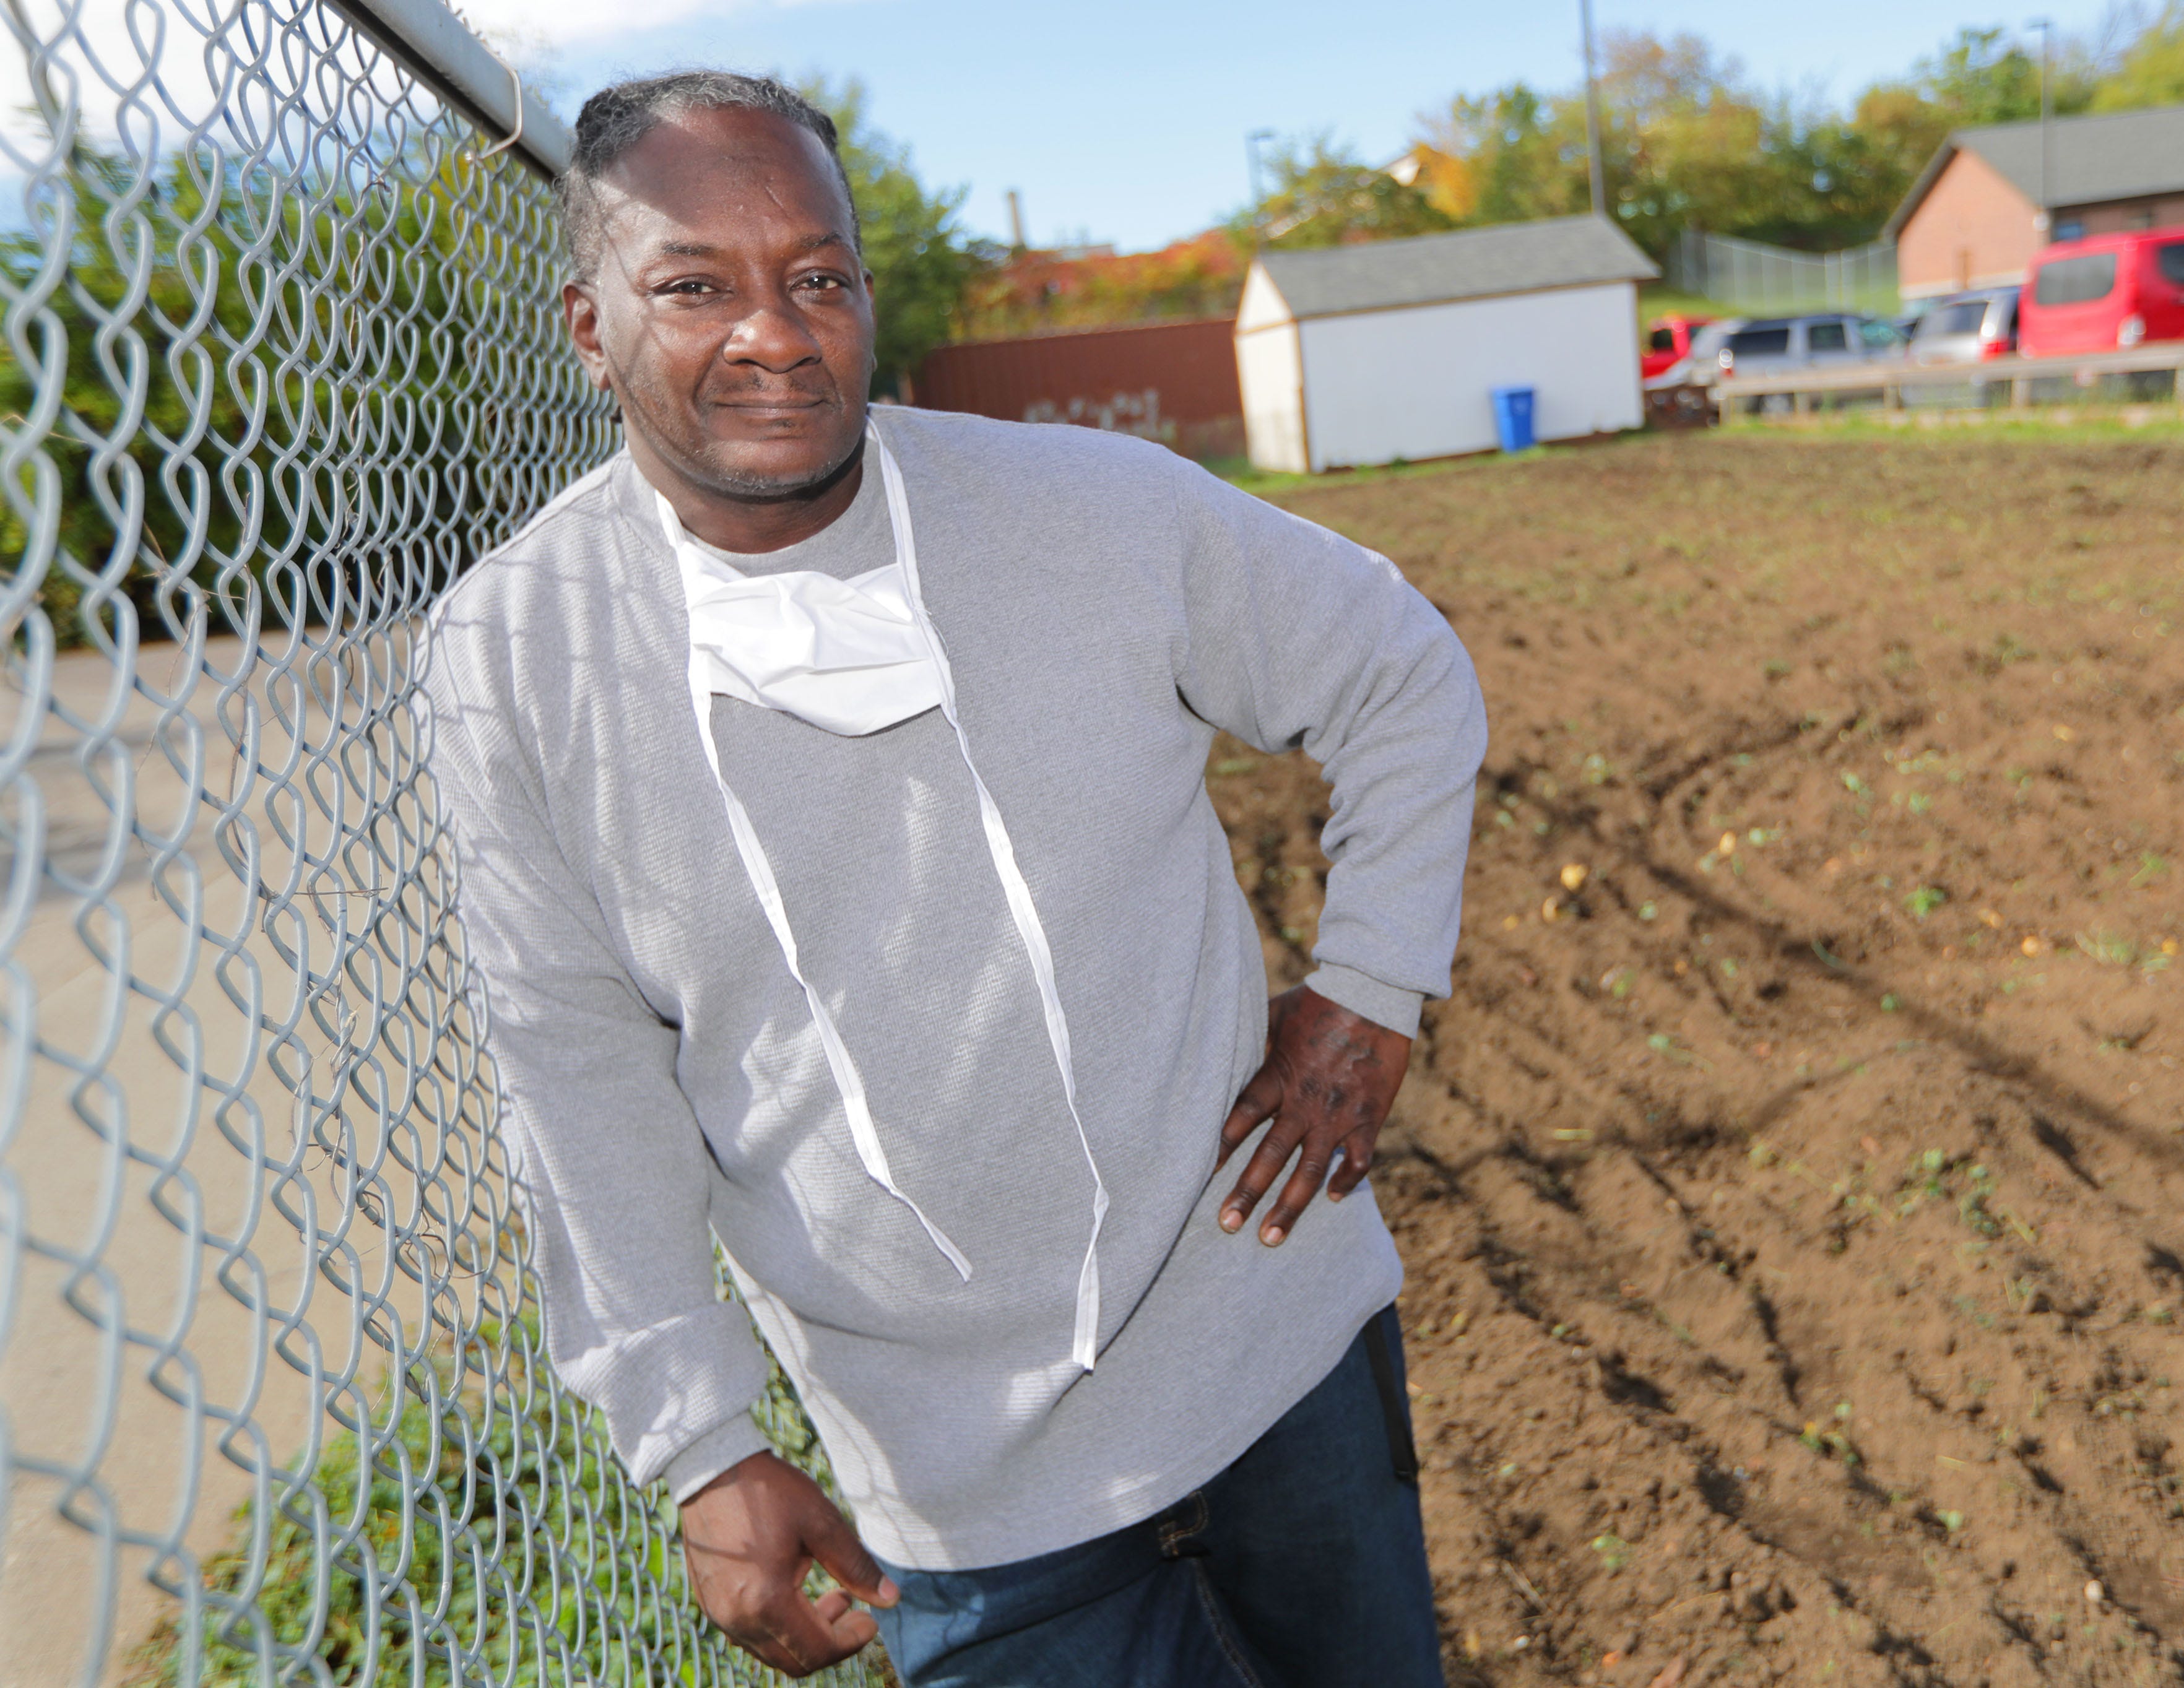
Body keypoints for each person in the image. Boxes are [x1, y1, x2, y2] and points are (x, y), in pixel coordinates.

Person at [422, 71, 1485, 1688]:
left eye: (819, 277)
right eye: (693, 285)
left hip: (1273, 1348)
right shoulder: (511, 659)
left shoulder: (1095, 515)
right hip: (952, 1489)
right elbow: (573, 1065)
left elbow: (1399, 669)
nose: (774, 334)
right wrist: (700, 1443)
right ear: (589, 327)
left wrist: (1370, 991)